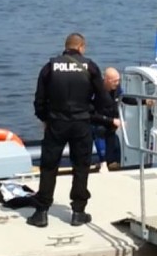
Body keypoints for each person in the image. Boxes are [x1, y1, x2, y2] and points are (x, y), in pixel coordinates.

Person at [27, 33, 113, 228]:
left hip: (56, 123)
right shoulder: (89, 66)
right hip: (81, 123)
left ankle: (41, 213)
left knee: (49, 167)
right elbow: (104, 101)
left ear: (66, 47)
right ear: (81, 47)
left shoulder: (50, 66)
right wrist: (91, 111)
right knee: (81, 166)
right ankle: (78, 212)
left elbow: (39, 100)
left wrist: (45, 118)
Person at [91, 67, 124, 171]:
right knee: (99, 132)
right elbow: (91, 113)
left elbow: (125, 98)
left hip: (112, 123)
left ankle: (113, 163)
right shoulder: (96, 89)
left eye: (119, 80)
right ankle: (103, 162)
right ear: (107, 80)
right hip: (98, 121)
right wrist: (112, 120)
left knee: (115, 143)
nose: (117, 83)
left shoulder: (118, 89)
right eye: (115, 81)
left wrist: (145, 102)